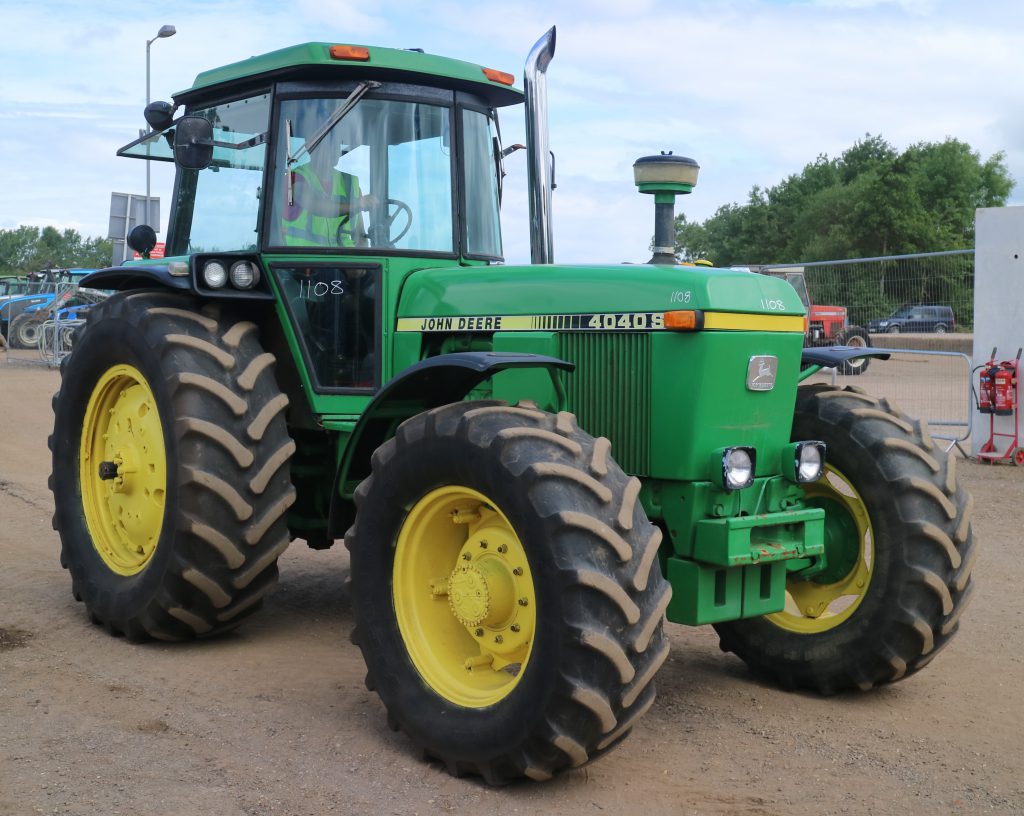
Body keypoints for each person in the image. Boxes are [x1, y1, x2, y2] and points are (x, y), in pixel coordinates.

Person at [281, 130, 375, 247]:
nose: (333, 150)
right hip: (302, 259)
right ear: (310, 148)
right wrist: (356, 205)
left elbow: (360, 237)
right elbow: (315, 206)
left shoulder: (351, 184)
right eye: (327, 145)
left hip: (344, 261)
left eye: (336, 145)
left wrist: (363, 263)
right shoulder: (294, 179)